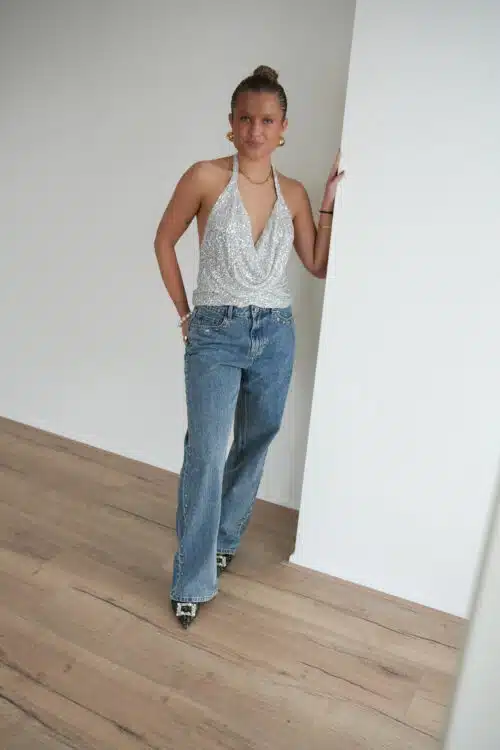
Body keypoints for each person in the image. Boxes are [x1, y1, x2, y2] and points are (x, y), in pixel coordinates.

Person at [154, 65, 344, 629]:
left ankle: (223, 539)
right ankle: (191, 580)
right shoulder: (206, 177)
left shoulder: (294, 193)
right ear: (231, 124)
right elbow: (163, 240)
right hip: (216, 332)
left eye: (266, 120)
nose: (255, 130)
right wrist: (185, 313)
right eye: (245, 119)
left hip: (275, 333)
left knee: (256, 441)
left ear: (283, 128)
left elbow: (317, 264)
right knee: (207, 451)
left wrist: (328, 202)